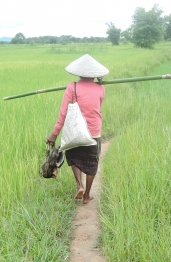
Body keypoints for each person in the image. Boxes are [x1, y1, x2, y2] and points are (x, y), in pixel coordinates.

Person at [46, 54, 109, 204]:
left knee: (73, 157)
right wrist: (99, 82)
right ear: (95, 74)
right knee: (92, 163)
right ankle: (87, 195)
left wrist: (54, 134)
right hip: (93, 132)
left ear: (78, 73)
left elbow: (63, 113)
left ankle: (79, 185)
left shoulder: (72, 87)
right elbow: (98, 105)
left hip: (74, 132)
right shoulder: (101, 89)